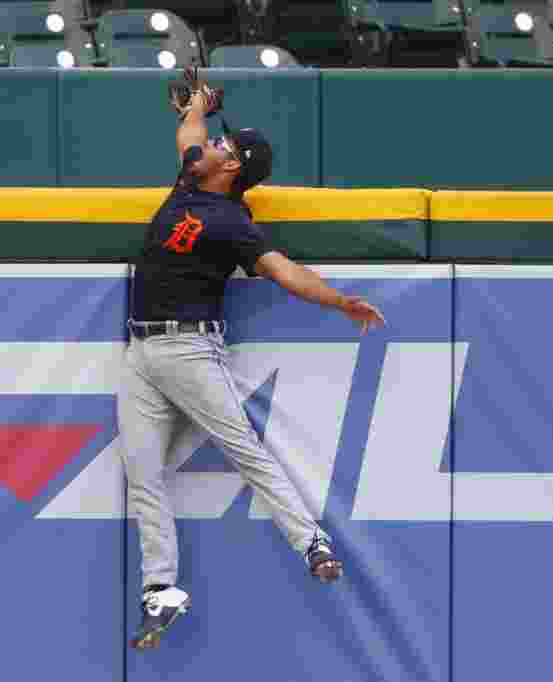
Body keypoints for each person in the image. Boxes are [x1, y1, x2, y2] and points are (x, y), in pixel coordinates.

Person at [119, 67, 385, 651]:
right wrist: (197, 107)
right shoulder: (190, 182)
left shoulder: (234, 222)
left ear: (234, 165)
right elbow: (189, 132)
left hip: (190, 346)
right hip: (140, 351)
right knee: (141, 474)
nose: (209, 145)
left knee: (246, 452)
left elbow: (284, 272)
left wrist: (339, 301)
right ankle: (160, 590)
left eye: (222, 144)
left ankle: (311, 541)